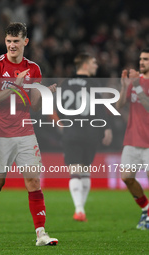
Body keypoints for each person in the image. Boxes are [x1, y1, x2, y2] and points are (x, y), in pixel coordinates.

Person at [0, 22, 58, 246]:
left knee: (33, 181)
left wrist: (43, 94)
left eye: (16, 41)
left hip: (25, 132)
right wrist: (14, 86)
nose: (12, 45)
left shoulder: (34, 68)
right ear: (5, 41)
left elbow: (34, 106)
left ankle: (41, 234)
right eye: (8, 41)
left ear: (25, 42)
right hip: (0, 133)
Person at [58, 53, 113, 222]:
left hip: (72, 131)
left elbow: (56, 107)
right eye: (93, 63)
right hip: (90, 132)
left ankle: (79, 209)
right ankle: (81, 208)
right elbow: (101, 109)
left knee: (74, 171)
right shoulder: (94, 84)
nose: (96, 66)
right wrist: (107, 128)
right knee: (86, 170)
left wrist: (60, 122)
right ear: (85, 65)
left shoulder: (65, 83)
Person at [116, 48, 149, 230]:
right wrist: (124, 86)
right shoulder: (135, 82)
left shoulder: (140, 84)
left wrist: (135, 86)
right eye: (141, 59)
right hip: (132, 139)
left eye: (146, 59)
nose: (142, 62)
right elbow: (119, 105)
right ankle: (146, 209)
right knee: (127, 178)